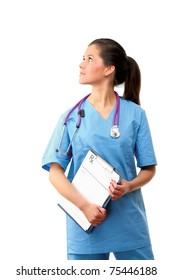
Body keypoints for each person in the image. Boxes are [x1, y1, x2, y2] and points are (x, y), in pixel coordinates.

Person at [42, 38, 157, 260]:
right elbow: (55, 172)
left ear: (109, 69)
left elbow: (149, 169)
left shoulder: (135, 114)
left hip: (129, 224)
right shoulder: (70, 117)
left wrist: (129, 186)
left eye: (89, 58)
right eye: (82, 58)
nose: (81, 64)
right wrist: (84, 206)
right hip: (86, 223)